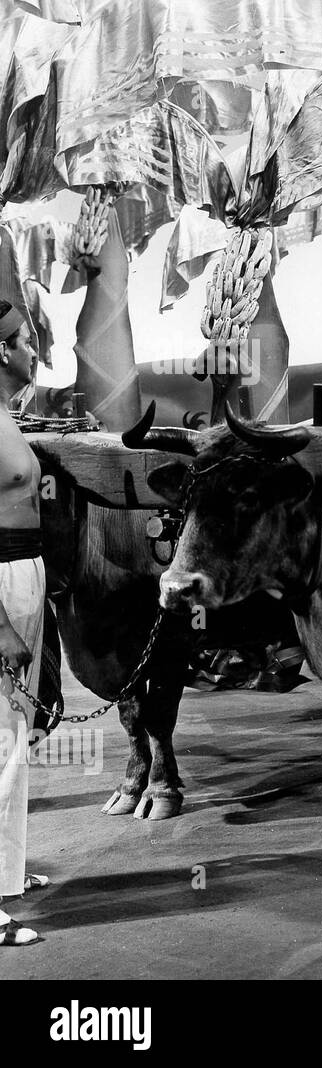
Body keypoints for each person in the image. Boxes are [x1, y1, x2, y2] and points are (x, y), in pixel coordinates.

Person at [0, 300, 46, 946]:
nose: (33, 345)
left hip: (24, 574)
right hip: (2, 582)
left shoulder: (7, 417)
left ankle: (6, 872)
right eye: (21, 338)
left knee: (17, 732)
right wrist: (2, 630)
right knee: (0, 735)